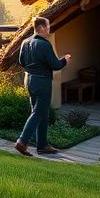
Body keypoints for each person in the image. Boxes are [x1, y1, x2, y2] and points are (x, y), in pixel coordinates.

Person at [15, 16, 70, 156]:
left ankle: (42, 145)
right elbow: (55, 65)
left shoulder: (25, 42)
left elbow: (21, 62)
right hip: (42, 82)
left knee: (41, 112)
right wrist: (65, 60)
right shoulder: (44, 44)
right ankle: (22, 141)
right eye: (48, 26)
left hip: (29, 80)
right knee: (38, 113)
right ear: (41, 28)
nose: (49, 29)